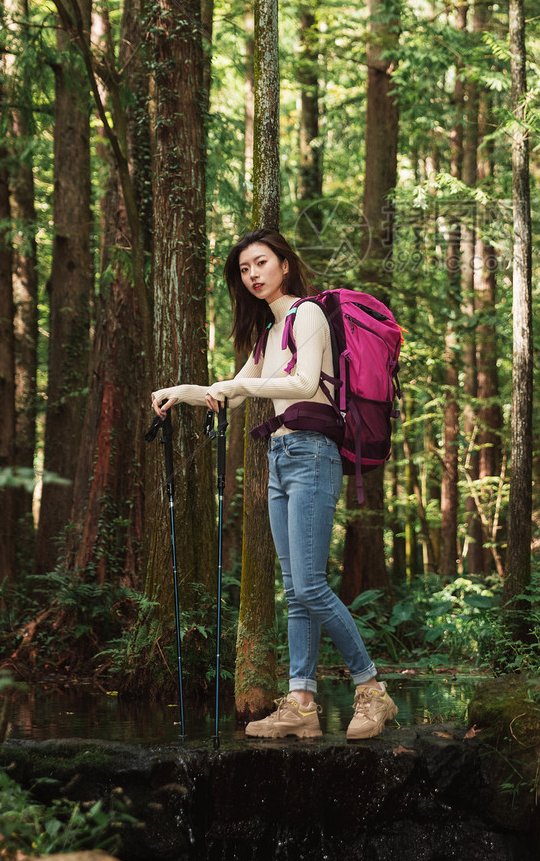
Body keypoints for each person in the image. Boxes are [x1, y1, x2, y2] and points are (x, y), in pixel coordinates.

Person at [151, 229, 398, 742]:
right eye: (244, 270)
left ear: (284, 264)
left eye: (261, 263)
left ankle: (372, 690)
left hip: (312, 454)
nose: (253, 275)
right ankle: (302, 703)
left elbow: (304, 384)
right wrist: (183, 392)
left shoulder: (305, 314)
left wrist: (241, 384)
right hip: (281, 457)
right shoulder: (268, 332)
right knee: (294, 589)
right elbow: (233, 394)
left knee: (309, 585)